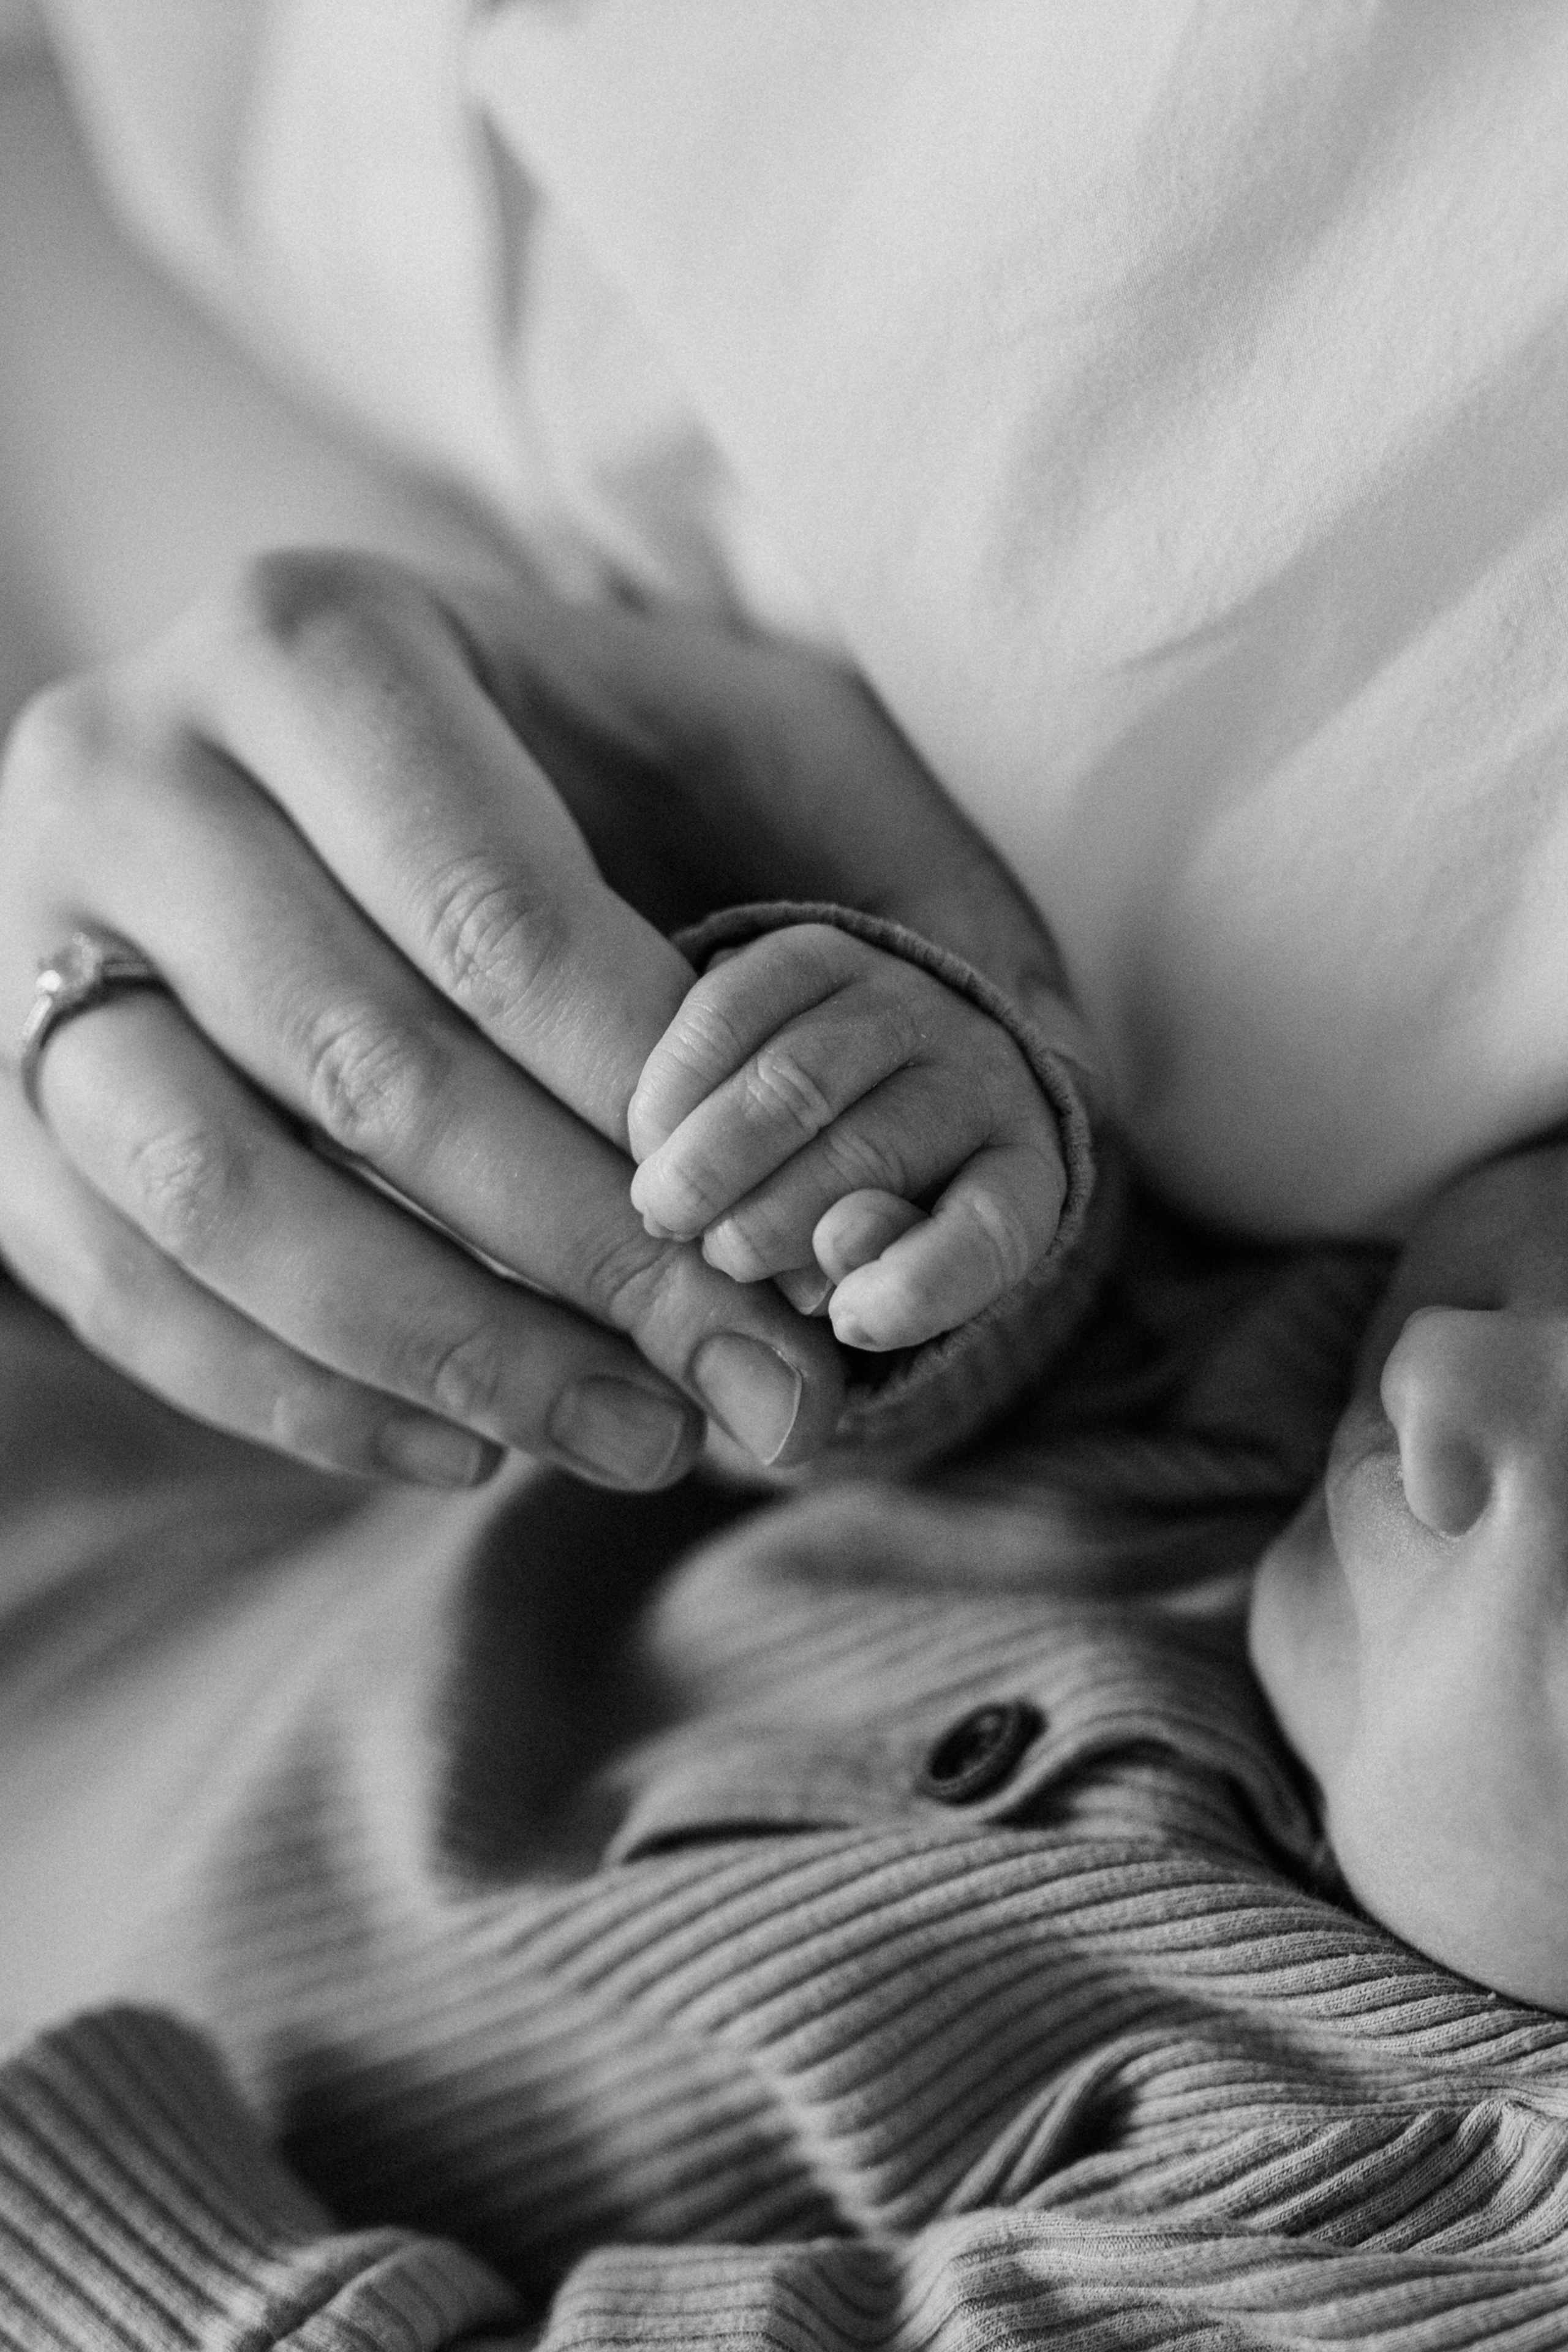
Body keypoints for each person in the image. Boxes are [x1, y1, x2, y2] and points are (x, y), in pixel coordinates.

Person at [9, 6, 1568, 2346]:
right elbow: (1054, 1387)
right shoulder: (1391, 1534)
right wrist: (916, 1162)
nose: (1458, 1374)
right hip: (146, 1502)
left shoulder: (1397, 2230)